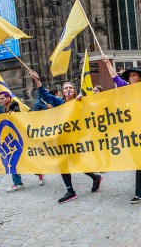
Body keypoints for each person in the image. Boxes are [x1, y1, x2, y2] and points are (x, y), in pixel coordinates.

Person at [29, 70, 102, 204]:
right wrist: (37, 80)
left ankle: (95, 177)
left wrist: (83, 101)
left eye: (70, 88)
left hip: (75, 139)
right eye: (65, 88)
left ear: (74, 91)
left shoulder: (80, 102)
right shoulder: (58, 102)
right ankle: (70, 191)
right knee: (63, 164)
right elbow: (45, 95)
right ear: (63, 92)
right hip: (61, 139)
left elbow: (95, 110)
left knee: (76, 164)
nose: (68, 90)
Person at [102, 54, 141, 204]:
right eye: (131, 75)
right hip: (130, 130)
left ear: (140, 77)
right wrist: (107, 62)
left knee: (140, 159)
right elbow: (114, 77)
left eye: (135, 75)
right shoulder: (125, 88)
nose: (132, 77)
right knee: (137, 159)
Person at [0, 91, 26, 192]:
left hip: (20, 138)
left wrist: (15, 115)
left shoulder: (16, 108)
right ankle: (17, 183)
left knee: (26, 159)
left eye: (2, 98)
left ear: (9, 98)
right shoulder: (5, 110)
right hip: (11, 138)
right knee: (12, 160)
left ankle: (39, 173)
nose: (0, 100)